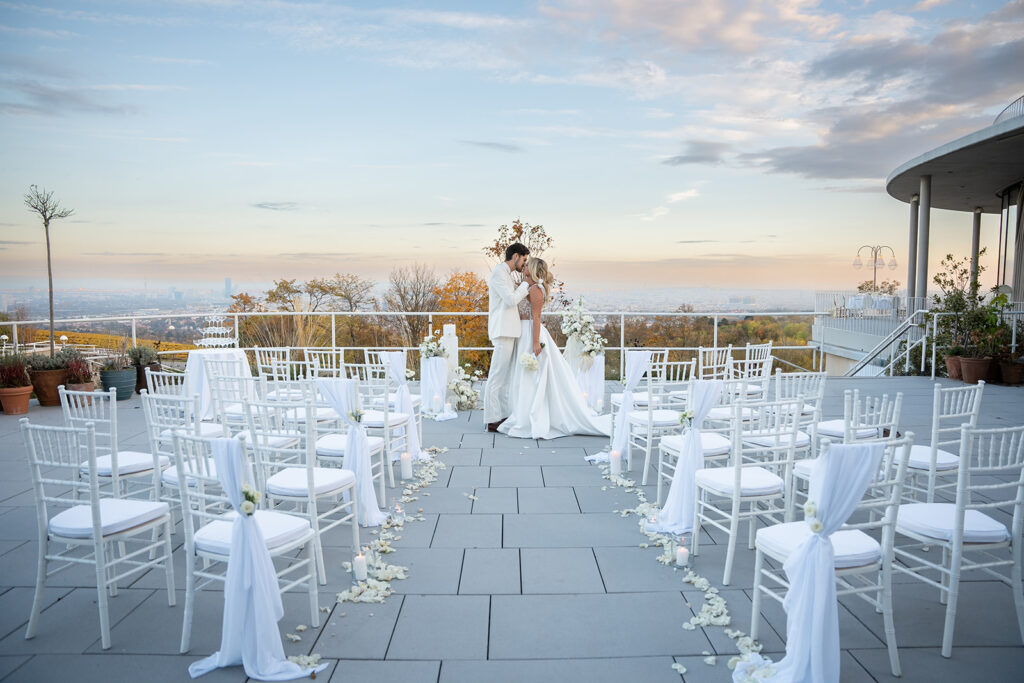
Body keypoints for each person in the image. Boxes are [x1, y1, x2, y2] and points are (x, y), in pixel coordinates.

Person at [498, 257, 611, 439]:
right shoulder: (529, 286)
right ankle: (522, 413)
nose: (524, 266)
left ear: (532, 269)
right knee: (526, 375)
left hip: (530, 333)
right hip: (524, 332)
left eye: (527, 265)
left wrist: (535, 343)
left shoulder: (535, 289)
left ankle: (531, 416)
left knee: (532, 375)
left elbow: (536, 318)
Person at [483, 242, 531, 432]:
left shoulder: (506, 275)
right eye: (524, 260)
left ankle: (502, 415)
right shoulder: (498, 273)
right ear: (516, 256)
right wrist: (526, 284)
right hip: (503, 331)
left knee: (505, 377)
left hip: (510, 330)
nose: (524, 264)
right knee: (496, 376)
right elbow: (510, 299)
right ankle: (492, 419)